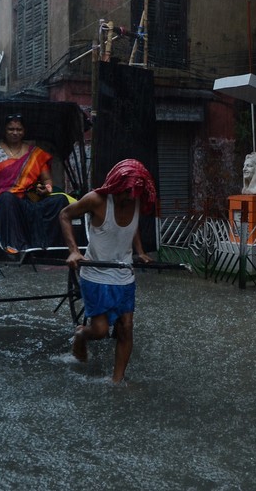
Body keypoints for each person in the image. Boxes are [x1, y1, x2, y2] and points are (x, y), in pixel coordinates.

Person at [59, 159, 157, 385]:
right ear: (115, 186)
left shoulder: (135, 200)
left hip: (123, 274)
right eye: (124, 194)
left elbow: (132, 227)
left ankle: (117, 381)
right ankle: (81, 334)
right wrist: (74, 251)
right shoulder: (96, 200)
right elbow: (64, 215)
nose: (128, 199)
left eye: (133, 195)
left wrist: (140, 251)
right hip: (95, 273)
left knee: (126, 327)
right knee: (101, 330)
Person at [0, 113, 70, 252]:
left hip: (30, 199)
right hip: (4, 199)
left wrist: (47, 189)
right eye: (11, 129)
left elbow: (47, 180)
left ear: (24, 131)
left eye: (19, 129)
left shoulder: (35, 153)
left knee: (60, 200)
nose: (15, 133)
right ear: (5, 130)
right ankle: (15, 246)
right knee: (7, 198)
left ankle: (51, 246)